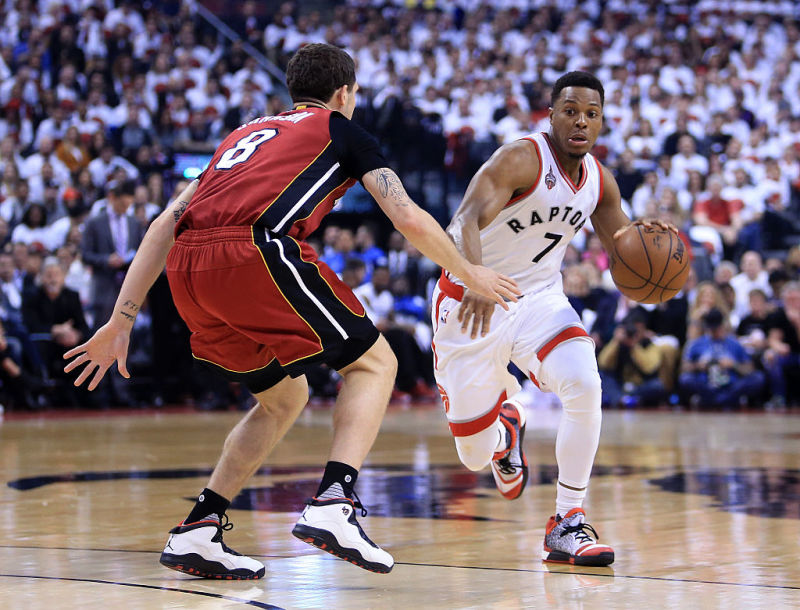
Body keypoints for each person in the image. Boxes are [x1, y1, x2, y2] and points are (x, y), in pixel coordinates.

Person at [63, 43, 517, 580]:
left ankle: (199, 529)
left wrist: (122, 319)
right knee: (375, 364)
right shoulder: (341, 129)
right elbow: (408, 217)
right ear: (345, 93)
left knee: (285, 397)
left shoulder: (240, 137)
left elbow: (165, 223)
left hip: (188, 269)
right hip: (254, 251)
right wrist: (471, 272)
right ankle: (334, 502)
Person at [432, 71, 676, 567]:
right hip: (471, 302)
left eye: (591, 113)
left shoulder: (600, 182)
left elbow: (624, 249)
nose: (580, 121)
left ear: (602, 122)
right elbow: (463, 221)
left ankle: (567, 522)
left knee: (586, 385)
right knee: (473, 456)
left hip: (539, 297)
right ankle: (505, 432)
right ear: (551, 114)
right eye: (570, 110)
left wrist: (652, 247)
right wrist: (477, 276)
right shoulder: (521, 157)